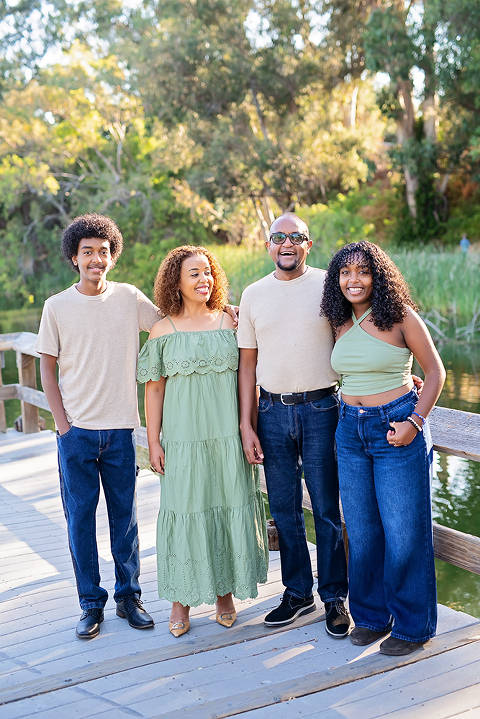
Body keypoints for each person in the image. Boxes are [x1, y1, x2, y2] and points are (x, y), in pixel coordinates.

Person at [321, 240, 445, 657]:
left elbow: (435, 372)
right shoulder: (338, 321)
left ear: (379, 277)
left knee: (404, 532)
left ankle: (413, 627)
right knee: (362, 530)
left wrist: (414, 422)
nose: (353, 280)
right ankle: (372, 617)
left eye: (362, 271)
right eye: (345, 272)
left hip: (396, 427)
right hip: (349, 430)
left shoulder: (399, 316)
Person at [36, 213, 158, 639]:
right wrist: (64, 426)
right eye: (87, 252)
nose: (96, 259)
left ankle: (129, 597)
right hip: (77, 435)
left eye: (103, 252)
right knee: (80, 520)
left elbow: (170, 322)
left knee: (125, 519)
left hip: (121, 431)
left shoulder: (128, 298)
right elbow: (46, 372)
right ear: (75, 257)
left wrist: (222, 310)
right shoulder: (56, 307)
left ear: (112, 257)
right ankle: (91, 604)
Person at [137, 245, 268, 638]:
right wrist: (153, 441)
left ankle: (225, 593)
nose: (203, 279)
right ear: (176, 280)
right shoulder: (163, 330)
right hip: (182, 440)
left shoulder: (232, 322)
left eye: (208, 272)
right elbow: (154, 391)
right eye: (193, 273)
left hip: (228, 436)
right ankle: (181, 600)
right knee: (186, 509)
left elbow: (256, 369)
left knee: (227, 504)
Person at [237, 212, 350, 638]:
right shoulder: (253, 294)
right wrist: (247, 426)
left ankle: (335, 596)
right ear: (268, 246)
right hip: (270, 412)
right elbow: (247, 367)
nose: (286, 243)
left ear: (308, 244)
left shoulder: (328, 284)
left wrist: (399, 372)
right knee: (283, 508)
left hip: (323, 408)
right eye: (278, 237)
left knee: (326, 508)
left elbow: (354, 337)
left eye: (295, 237)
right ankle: (298, 593)